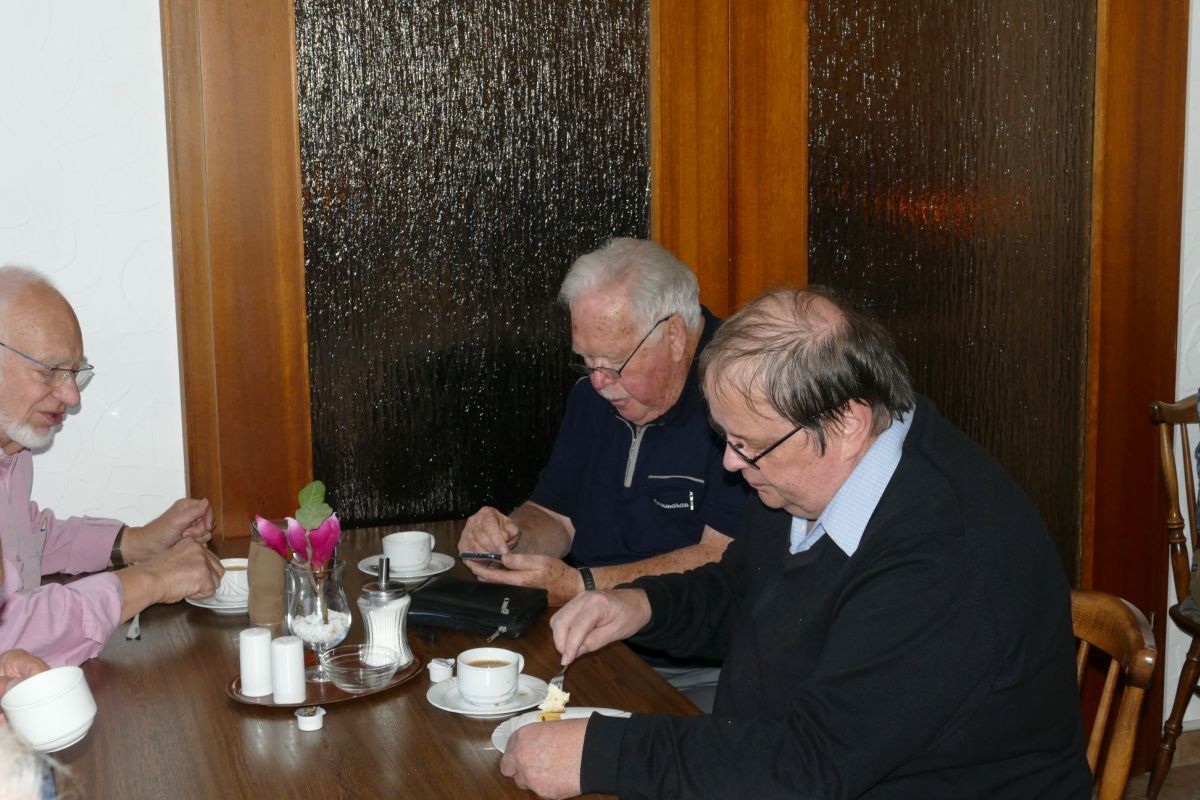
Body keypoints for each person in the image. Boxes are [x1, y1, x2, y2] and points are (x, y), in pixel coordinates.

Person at [500, 286, 1091, 799]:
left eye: (748, 444)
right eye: (726, 438)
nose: (731, 464)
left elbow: (811, 768)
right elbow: (744, 590)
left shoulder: (943, 554)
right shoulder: (806, 478)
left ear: (847, 422)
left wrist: (603, 754)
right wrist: (641, 605)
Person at [457, 238, 748, 710]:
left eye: (613, 365)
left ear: (675, 336)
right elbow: (557, 514)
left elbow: (723, 558)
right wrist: (511, 538)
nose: (598, 383)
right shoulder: (592, 396)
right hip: (593, 644)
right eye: (586, 361)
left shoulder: (741, 397)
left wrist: (584, 586)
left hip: (704, 667)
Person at [0, 266, 223, 667]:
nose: (72, 396)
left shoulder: (11, 453)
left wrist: (138, 541)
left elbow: (27, 542)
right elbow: (9, 634)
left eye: (74, 373)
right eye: (50, 371)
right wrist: (151, 580)